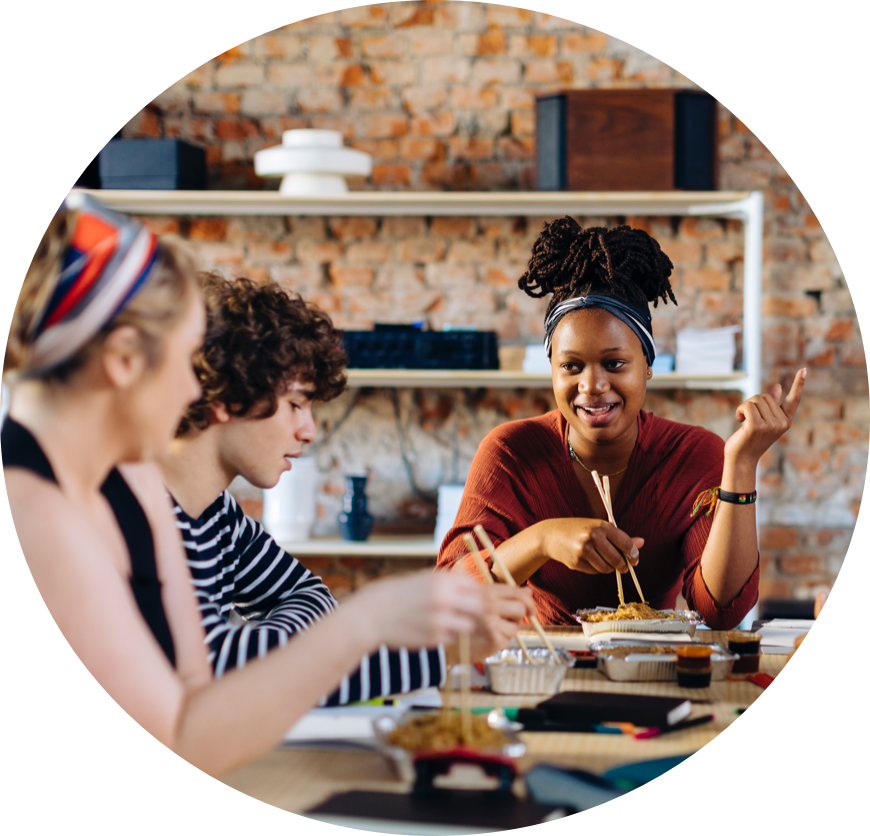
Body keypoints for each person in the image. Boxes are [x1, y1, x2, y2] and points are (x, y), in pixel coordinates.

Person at [2, 193, 519, 778]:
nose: (193, 391)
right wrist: (367, 623)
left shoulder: (127, 492)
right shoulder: (35, 515)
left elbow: (195, 707)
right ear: (123, 360)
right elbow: (188, 733)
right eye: (182, 364)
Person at [159, 273, 533, 700]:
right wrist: (434, 652)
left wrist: (279, 659)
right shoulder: (138, 518)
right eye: (296, 405)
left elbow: (310, 597)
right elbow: (211, 678)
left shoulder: (217, 515)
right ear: (226, 396)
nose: (309, 431)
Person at [438, 218, 805, 630]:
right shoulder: (511, 452)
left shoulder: (694, 454)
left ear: (647, 366)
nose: (592, 386)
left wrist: (741, 464)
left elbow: (721, 611)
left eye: (615, 364)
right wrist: (541, 540)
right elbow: (449, 593)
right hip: (547, 674)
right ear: (552, 371)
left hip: (657, 673)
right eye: (571, 366)